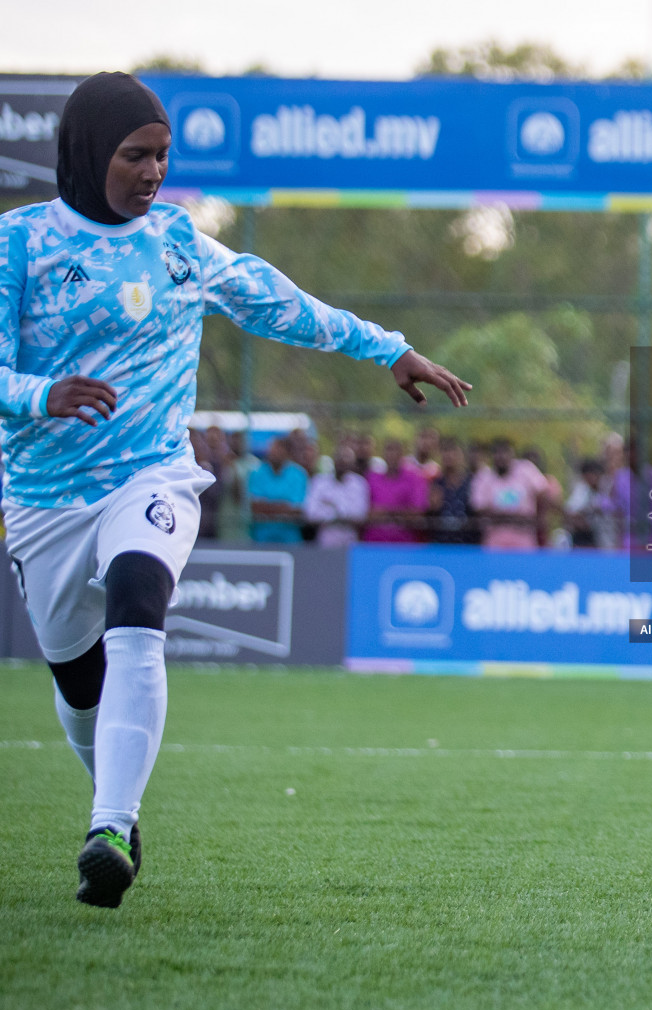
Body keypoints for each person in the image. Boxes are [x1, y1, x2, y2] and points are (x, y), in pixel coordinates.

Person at [0, 72, 470, 909]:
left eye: (163, 156)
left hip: (150, 472)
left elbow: (279, 303)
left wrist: (389, 349)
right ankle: (114, 804)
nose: (152, 173)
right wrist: (42, 394)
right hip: (42, 499)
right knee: (76, 683)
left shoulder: (179, 242)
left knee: (141, 602)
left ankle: (109, 826)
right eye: (134, 155)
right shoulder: (20, 246)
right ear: (84, 154)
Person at [471, 438, 549, 549]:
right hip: (495, 536)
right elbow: (479, 507)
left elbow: (544, 493)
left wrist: (539, 518)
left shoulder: (526, 470)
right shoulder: (484, 476)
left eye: (505, 452)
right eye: (497, 453)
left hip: (524, 535)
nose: (501, 457)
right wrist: (510, 517)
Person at [363, 439, 430, 543]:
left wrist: (385, 512)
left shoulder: (415, 478)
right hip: (374, 544)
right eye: (389, 450)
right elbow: (366, 513)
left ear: (403, 454)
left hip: (405, 545)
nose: (392, 454)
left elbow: (416, 513)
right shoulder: (372, 478)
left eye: (396, 450)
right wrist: (400, 512)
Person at [304, 443, 370, 547]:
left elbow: (359, 514)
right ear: (333, 460)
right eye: (339, 458)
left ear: (352, 463)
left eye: (346, 458)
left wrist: (332, 506)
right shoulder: (319, 482)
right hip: (324, 542)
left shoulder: (359, 484)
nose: (342, 461)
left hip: (350, 542)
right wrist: (342, 513)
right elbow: (311, 513)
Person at [247, 436, 309, 543]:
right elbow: (255, 506)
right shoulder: (257, 473)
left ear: (287, 453)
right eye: (272, 448)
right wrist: (283, 507)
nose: (274, 452)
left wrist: (268, 507)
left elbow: (298, 509)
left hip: (290, 538)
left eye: (279, 449)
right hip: (261, 536)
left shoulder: (298, 474)